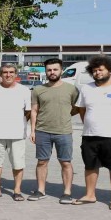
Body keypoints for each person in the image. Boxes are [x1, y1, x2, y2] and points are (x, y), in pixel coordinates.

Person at [74, 55, 111, 210]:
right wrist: (88, 123)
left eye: (100, 70)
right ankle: (90, 195)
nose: (97, 73)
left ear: (110, 71)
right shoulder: (86, 88)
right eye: (94, 70)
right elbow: (81, 108)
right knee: (90, 166)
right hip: (89, 135)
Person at [29, 58, 79, 203]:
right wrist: (32, 131)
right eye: (49, 70)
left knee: (66, 163)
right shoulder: (38, 90)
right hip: (42, 131)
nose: (52, 72)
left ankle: (67, 192)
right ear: (45, 71)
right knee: (42, 162)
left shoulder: (71, 89)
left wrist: (64, 115)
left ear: (61, 70)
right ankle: (40, 190)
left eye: (55, 69)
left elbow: (77, 108)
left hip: (64, 132)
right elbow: (34, 111)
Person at [0, 64, 31, 201]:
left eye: (11, 72)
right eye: (5, 72)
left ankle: (17, 191)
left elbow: (28, 111)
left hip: (17, 134)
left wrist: (20, 124)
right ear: (0, 74)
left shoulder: (24, 90)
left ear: (16, 74)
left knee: (18, 164)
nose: (8, 75)